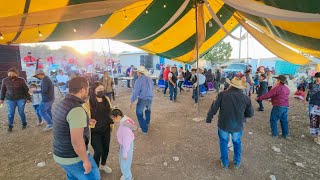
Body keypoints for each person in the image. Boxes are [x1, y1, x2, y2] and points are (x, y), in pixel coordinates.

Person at [52, 77, 100, 179]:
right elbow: (77, 142)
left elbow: (65, 122)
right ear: (82, 89)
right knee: (93, 177)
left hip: (60, 153)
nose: (88, 92)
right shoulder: (76, 110)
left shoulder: (62, 102)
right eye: (87, 89)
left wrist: (86, 121)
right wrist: (86, 161)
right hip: (73, 157)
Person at [206, 77, 254, 169]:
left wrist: (209, 118)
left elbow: (213, 107)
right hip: (237, 125)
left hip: (223, 124)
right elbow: (250, 114)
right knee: (237, 142)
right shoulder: (246, 98)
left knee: (223, 142)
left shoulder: (222, 94)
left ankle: (225, 163)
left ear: (231, 84)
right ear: (240, 87)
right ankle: (237, 162)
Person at [83, 82, 113, 174]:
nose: (102, 91)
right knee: (98, 150)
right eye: (99, 90)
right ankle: (95, 169)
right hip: (95, 131)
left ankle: (103, 165)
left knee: (106, 148)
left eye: (103, 89)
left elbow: (110, 111)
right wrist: (88, 120)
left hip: (106, 128)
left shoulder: (106, 99)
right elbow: (83, 117)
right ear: (93, 91)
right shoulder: (88, 103)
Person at [0, 68, 31, 132]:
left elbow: (26, 89)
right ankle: (10, 125)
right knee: (10, 113)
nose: (11, 76)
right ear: (8, 74)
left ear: (16, 74)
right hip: (10, 99)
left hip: (21, 98)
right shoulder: (5, 80)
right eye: (9, 74)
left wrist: (28, 98)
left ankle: (24, 123)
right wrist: (1, 99)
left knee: (21, 112)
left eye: (13, 74)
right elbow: (3, 90)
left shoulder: (21, 80)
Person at [110, 108, 137, 180]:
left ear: (118, 116)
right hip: (127, 145)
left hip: (126, 146)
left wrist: (125, 153)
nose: (113, 121)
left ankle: (128, 177)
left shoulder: (124, 126)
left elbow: (126, 141)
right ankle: (126, 175)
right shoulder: (125, 119)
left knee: (124, 164)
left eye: (113, 119)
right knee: (125, 163)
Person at [130, 66, 154, 134]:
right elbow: (152, 87)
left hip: (143, 98)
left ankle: (144, 129)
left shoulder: (139, 80)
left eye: (137, 72)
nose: (136, 73)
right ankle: (147, 122)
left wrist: (132, 101)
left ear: (139, 72)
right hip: (150, 97)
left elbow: (135, 92)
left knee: (139, 113)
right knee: (148, 110)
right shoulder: (149, 78)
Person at [305, 72, 320, 143]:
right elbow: (306, 91)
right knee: (311, 116)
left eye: (319, 77)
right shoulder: (311, 84)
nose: (318, 79)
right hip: (312, 102)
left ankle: (318, 135)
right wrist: (305, 98)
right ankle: (315, 131)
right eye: (317, 77)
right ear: (315, 77)